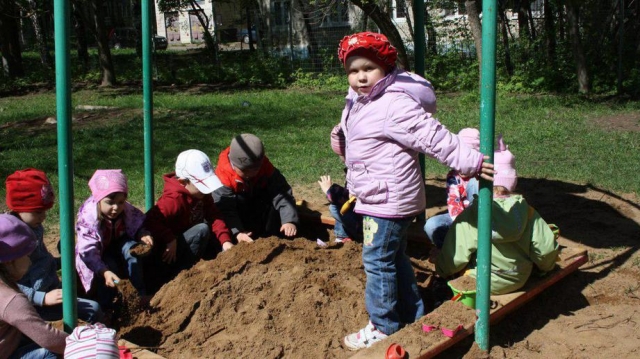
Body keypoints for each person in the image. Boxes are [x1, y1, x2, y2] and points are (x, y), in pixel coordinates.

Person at [336, 32, 494, 350]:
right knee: (393, 256)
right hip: (377, 194)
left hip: (387, 199)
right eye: (353, 70)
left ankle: (383, 324)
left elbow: (432, 136)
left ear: (386, 68)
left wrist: (470, 161)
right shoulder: (360, 99)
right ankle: (413, 311)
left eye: (369, 68)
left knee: (377, 260)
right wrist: (340, 140)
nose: (360, 76)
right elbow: (356, 133)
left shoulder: (394, 103)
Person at [436, 135, 560, 295]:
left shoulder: (474, 214)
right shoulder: (528, 212)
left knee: (450, 277)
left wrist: (441, 269)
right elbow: (546, 250)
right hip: (519, 277)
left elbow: (455, 256)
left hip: (481, 282)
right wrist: (545, 268)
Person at [6, 168, 103, 324]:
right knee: (93, 310)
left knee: (93, 299)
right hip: (31, 303)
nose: (43, 217)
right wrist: (41, 298)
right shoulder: (10, 237)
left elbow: (42, 259)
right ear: (18, 207)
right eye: (38, 212)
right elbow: (6, 284)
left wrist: (63, 260)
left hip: (50, 287)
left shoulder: (34, 227)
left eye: (45, 211)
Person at [144, 149, 233, 275]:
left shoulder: (202, 194)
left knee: (209, 230)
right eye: (201, 185)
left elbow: (214, 215)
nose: (206, 190)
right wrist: (169, 238)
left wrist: (225, 241)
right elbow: (149, 220)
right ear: (183, 182)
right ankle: (183, 274)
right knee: (202, 229)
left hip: (185, 241)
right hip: (167, 254)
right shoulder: (173, 200)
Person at [76, 169, 154, 311]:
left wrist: (142, 234)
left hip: (119, 241)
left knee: (133, 252)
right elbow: (88, 251)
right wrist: (104, 271)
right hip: (99, 251)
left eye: (120, 202)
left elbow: (137, 223)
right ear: (98, 199)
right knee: (109, 265)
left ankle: (140, 293)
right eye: (110, 202)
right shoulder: (88, 218)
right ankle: (107, 305)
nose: (116, 207)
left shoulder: (126, 209)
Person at [0, 213, 68, 358]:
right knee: (52, 353)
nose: (30, 262)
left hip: (8, 342)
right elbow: (50, 340)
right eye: (26, 256)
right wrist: (80, 343)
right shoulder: (11, 300)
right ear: (9, 261)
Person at [213, 134, 299, 246]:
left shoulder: (265, 168)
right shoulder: (223, 178)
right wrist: (238, 232)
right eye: (245, 171)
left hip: (259, 208)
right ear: (235, 164)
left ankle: (271, 236)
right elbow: (226, 210)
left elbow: (281, 192)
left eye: (256, 169)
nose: (252, 174)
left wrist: (289, 220)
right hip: (239, 215)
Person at [424, 128, 480, 249]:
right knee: (431, 225)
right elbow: (454, 204)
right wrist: (462, 227)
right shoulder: (453, 176)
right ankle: (450, 252)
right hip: (459, 219)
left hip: (481, 220)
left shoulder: (481, 176)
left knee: (475, 184)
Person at [317, 175, 361, 243]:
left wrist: (330, 191)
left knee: (334, 207)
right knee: (340, 205)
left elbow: (351, 197)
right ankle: (343, 235)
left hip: (367, 223)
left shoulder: (363, 172)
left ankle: (350, 235)